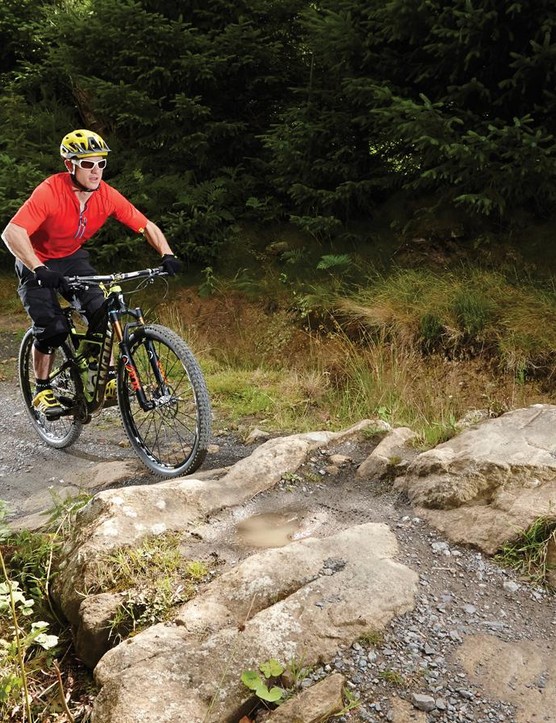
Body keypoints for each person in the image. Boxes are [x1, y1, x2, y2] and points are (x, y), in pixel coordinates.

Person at [1, 128, 181, 418]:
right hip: (36, 259)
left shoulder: (106, 195)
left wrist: (167, 253)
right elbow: (13, 232)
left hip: (71, 258)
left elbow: (145, 224)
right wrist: (37, 267)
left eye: (101, 163)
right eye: (87, 164)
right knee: (52, 328)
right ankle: (42, 389)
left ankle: (104, 375)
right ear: (69, 165)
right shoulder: (50, 191)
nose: (96, 171)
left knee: (102, 313)